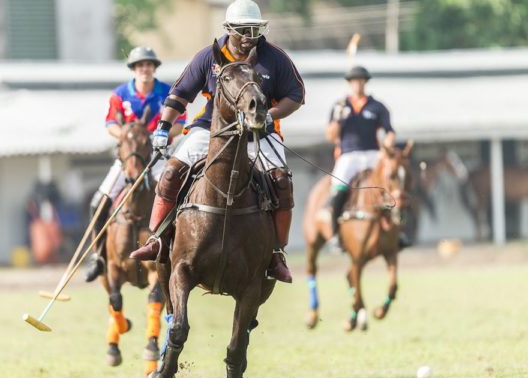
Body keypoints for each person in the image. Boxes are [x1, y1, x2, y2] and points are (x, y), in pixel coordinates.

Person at [129, 0, 305, 283]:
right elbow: (180, 95)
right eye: (243, 30)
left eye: (254, 30)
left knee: (281, 180)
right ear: (228, 30)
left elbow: (295, 96)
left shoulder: (274, 57)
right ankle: (158, 238)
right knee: (172, 171)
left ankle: (275, 253)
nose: (249, 37)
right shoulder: (208, 56)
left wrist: (270, 116)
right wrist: (164, 126)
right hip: (211, 129)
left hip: (259, 130)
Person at [84, 46, 186, 282]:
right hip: (128, 161)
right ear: (133, 69)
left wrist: (157, 136)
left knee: (178, 199)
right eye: (140, 66)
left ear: (154, 68)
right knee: (98, 202)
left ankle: (178, 250)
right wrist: (130, 136)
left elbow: (180, 124)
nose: (145, 69)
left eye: (149, 65)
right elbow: (110, 124)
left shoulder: (167, 93)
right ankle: (98, 257)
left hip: (158, 158)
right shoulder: (120, 94)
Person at [325, 65, 408, 248]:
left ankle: (398, 233)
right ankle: (335, 234)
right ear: (350, 84)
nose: (358, 84)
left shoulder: (377, 107)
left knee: (392, 184)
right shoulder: (340, 106)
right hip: (349, 154)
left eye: (361, 81)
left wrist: (387, 145)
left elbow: (390, 132)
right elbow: (331, 135)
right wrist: (339, 119)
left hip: (373, 153)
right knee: (337, 188)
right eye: (354, 81)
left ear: (365, 82)